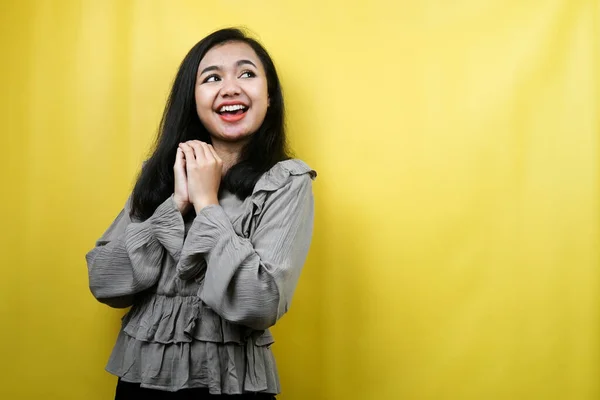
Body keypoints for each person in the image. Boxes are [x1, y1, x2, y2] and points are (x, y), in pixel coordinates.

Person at [85, 27, 316, 399]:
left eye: (247, 74)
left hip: (232, 386)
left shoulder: (286, 181)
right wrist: (175, 204)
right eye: (212, 78)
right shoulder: (161, 172)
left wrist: (207, 203)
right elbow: (105, 282)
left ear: (269, 97)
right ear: (192, 100)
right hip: (140, 380)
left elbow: (258, 303)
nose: (230, 88)